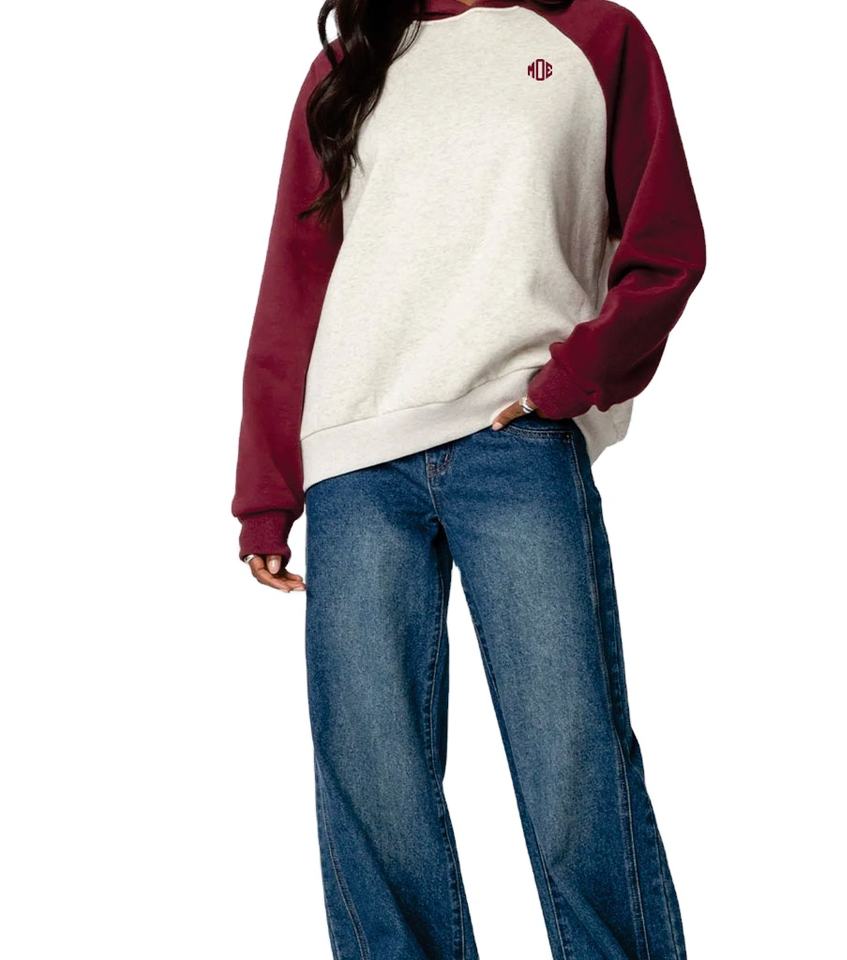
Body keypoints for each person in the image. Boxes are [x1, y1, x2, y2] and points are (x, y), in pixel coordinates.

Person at [231, 0, 705, 956]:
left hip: (514, 439)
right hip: (354, 460)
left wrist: (571, 379)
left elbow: (665, 248)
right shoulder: (348, 70)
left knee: (573, 763)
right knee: (374, 789)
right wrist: (266, 490)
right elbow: (297, 279)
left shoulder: (594, 38)